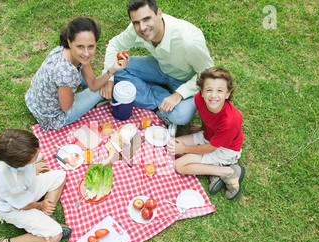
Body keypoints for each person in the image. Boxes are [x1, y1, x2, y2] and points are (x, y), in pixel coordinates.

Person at [100, 0, 214, 134]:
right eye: (136, 22)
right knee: (114, 71)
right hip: (160, 68)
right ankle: (158, 100)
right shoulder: (137, 29)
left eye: (146, 19)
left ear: (159, 13)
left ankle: (148, 93)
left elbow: (208, 73)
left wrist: (179, 95)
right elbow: (115, 44)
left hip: (185, 79)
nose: (142, 28)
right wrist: (109, 78)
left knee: (180, 115)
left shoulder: (188, 41)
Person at [0, 129, 70, 242]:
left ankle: (45, 218)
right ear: (20, 164)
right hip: (15, 209)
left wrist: (32, 168)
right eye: (34, 154)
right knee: (55, 236)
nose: (38, 152)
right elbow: (22, 205)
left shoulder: (16, 155)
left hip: (27, 191)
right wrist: (40, 205)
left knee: (60, 175)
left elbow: (30, 160)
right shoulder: (11, 182)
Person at [25, 17, 129, 131]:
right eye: (80, 46)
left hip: (33, 101)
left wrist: (113, 69)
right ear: (69, 42)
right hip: (53, 118)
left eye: (91, 46)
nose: (86, 53)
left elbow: (93, 84)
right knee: (104, 88)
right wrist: (72, 87)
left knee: (101, 84)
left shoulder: (63, 50)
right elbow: (66, 107)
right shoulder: (67, 74)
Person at [166, 67, 245, 200]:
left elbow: (211, 148)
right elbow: (206, 116)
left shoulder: (230, 121)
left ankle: (228, 172)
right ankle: (209, 168)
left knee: (179, 165)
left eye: (219, 90)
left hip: (225, 150)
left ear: (227, 94)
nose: (213, 95)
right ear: (201, 91)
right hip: (208, 136)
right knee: (173, 145)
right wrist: (202, 128)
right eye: (209, 90)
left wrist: (185, 149)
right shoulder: (199, 99)